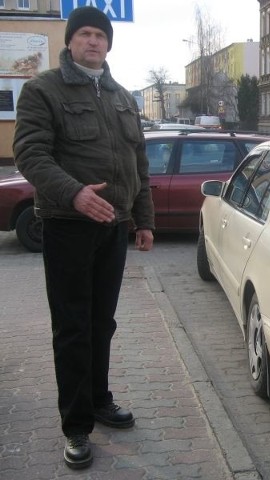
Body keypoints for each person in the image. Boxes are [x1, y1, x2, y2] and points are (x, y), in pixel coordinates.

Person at [12, 6, 154, 470]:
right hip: (69, 226)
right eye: (85, 34)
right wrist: (74, 195)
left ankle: (98, 399)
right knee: (72, 328)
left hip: (112, 227)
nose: (93, 41)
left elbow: (139, 162)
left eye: (100, 35)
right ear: (71, 42)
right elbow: (30, 154)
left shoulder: (122, 96)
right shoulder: (42, 90)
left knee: (102, 323)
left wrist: (143, 218)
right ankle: (75, 426)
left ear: (108, 44)